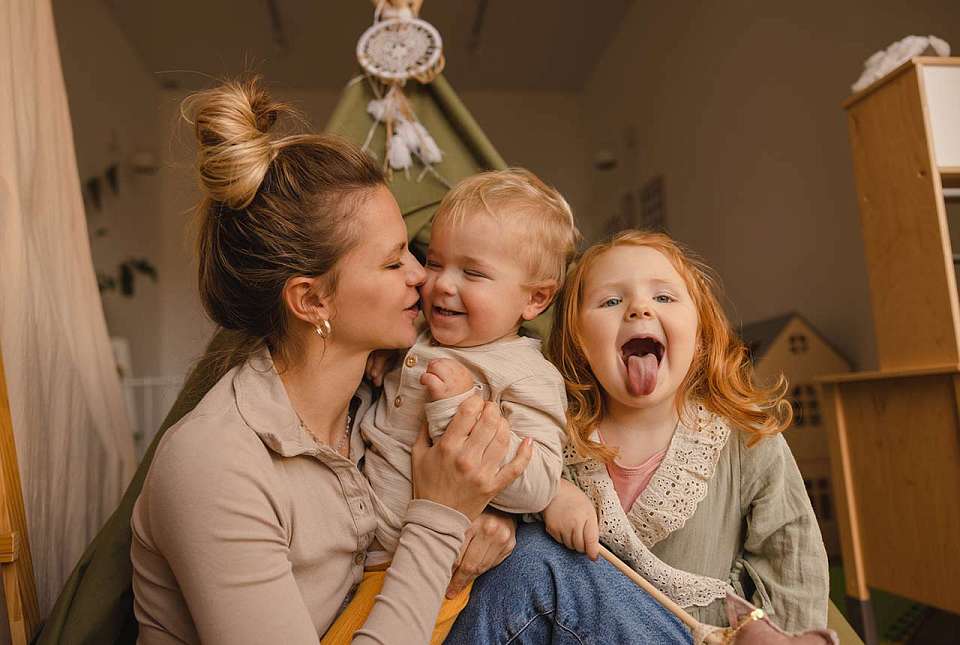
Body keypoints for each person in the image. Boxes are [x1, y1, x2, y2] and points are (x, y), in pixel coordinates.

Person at [129, 79, 692, 645]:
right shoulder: (213, 462)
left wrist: (535, 501)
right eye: (396, 261)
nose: (424, 278)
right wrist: (442, 517)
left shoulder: (372, 392)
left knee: (542, 561)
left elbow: (505, 459)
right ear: (311, 301)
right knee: (547, 568)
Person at [323, 169, 578, 643]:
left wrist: (458, 408)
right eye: (435, 263)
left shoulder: (527, 377)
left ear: (535, 298)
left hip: (419, 568)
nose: (441, 284)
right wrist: (379, 351)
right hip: (352, 549)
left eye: (473, 273)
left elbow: (537, 482)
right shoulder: (417, 334)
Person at [543, 230, 830, 632]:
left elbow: (792, 559)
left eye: (663, 297)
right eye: (611, 301)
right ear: (579, 344)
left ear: (699, 337)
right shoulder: (556, 442)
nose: (639, 309)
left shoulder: (744, 441)